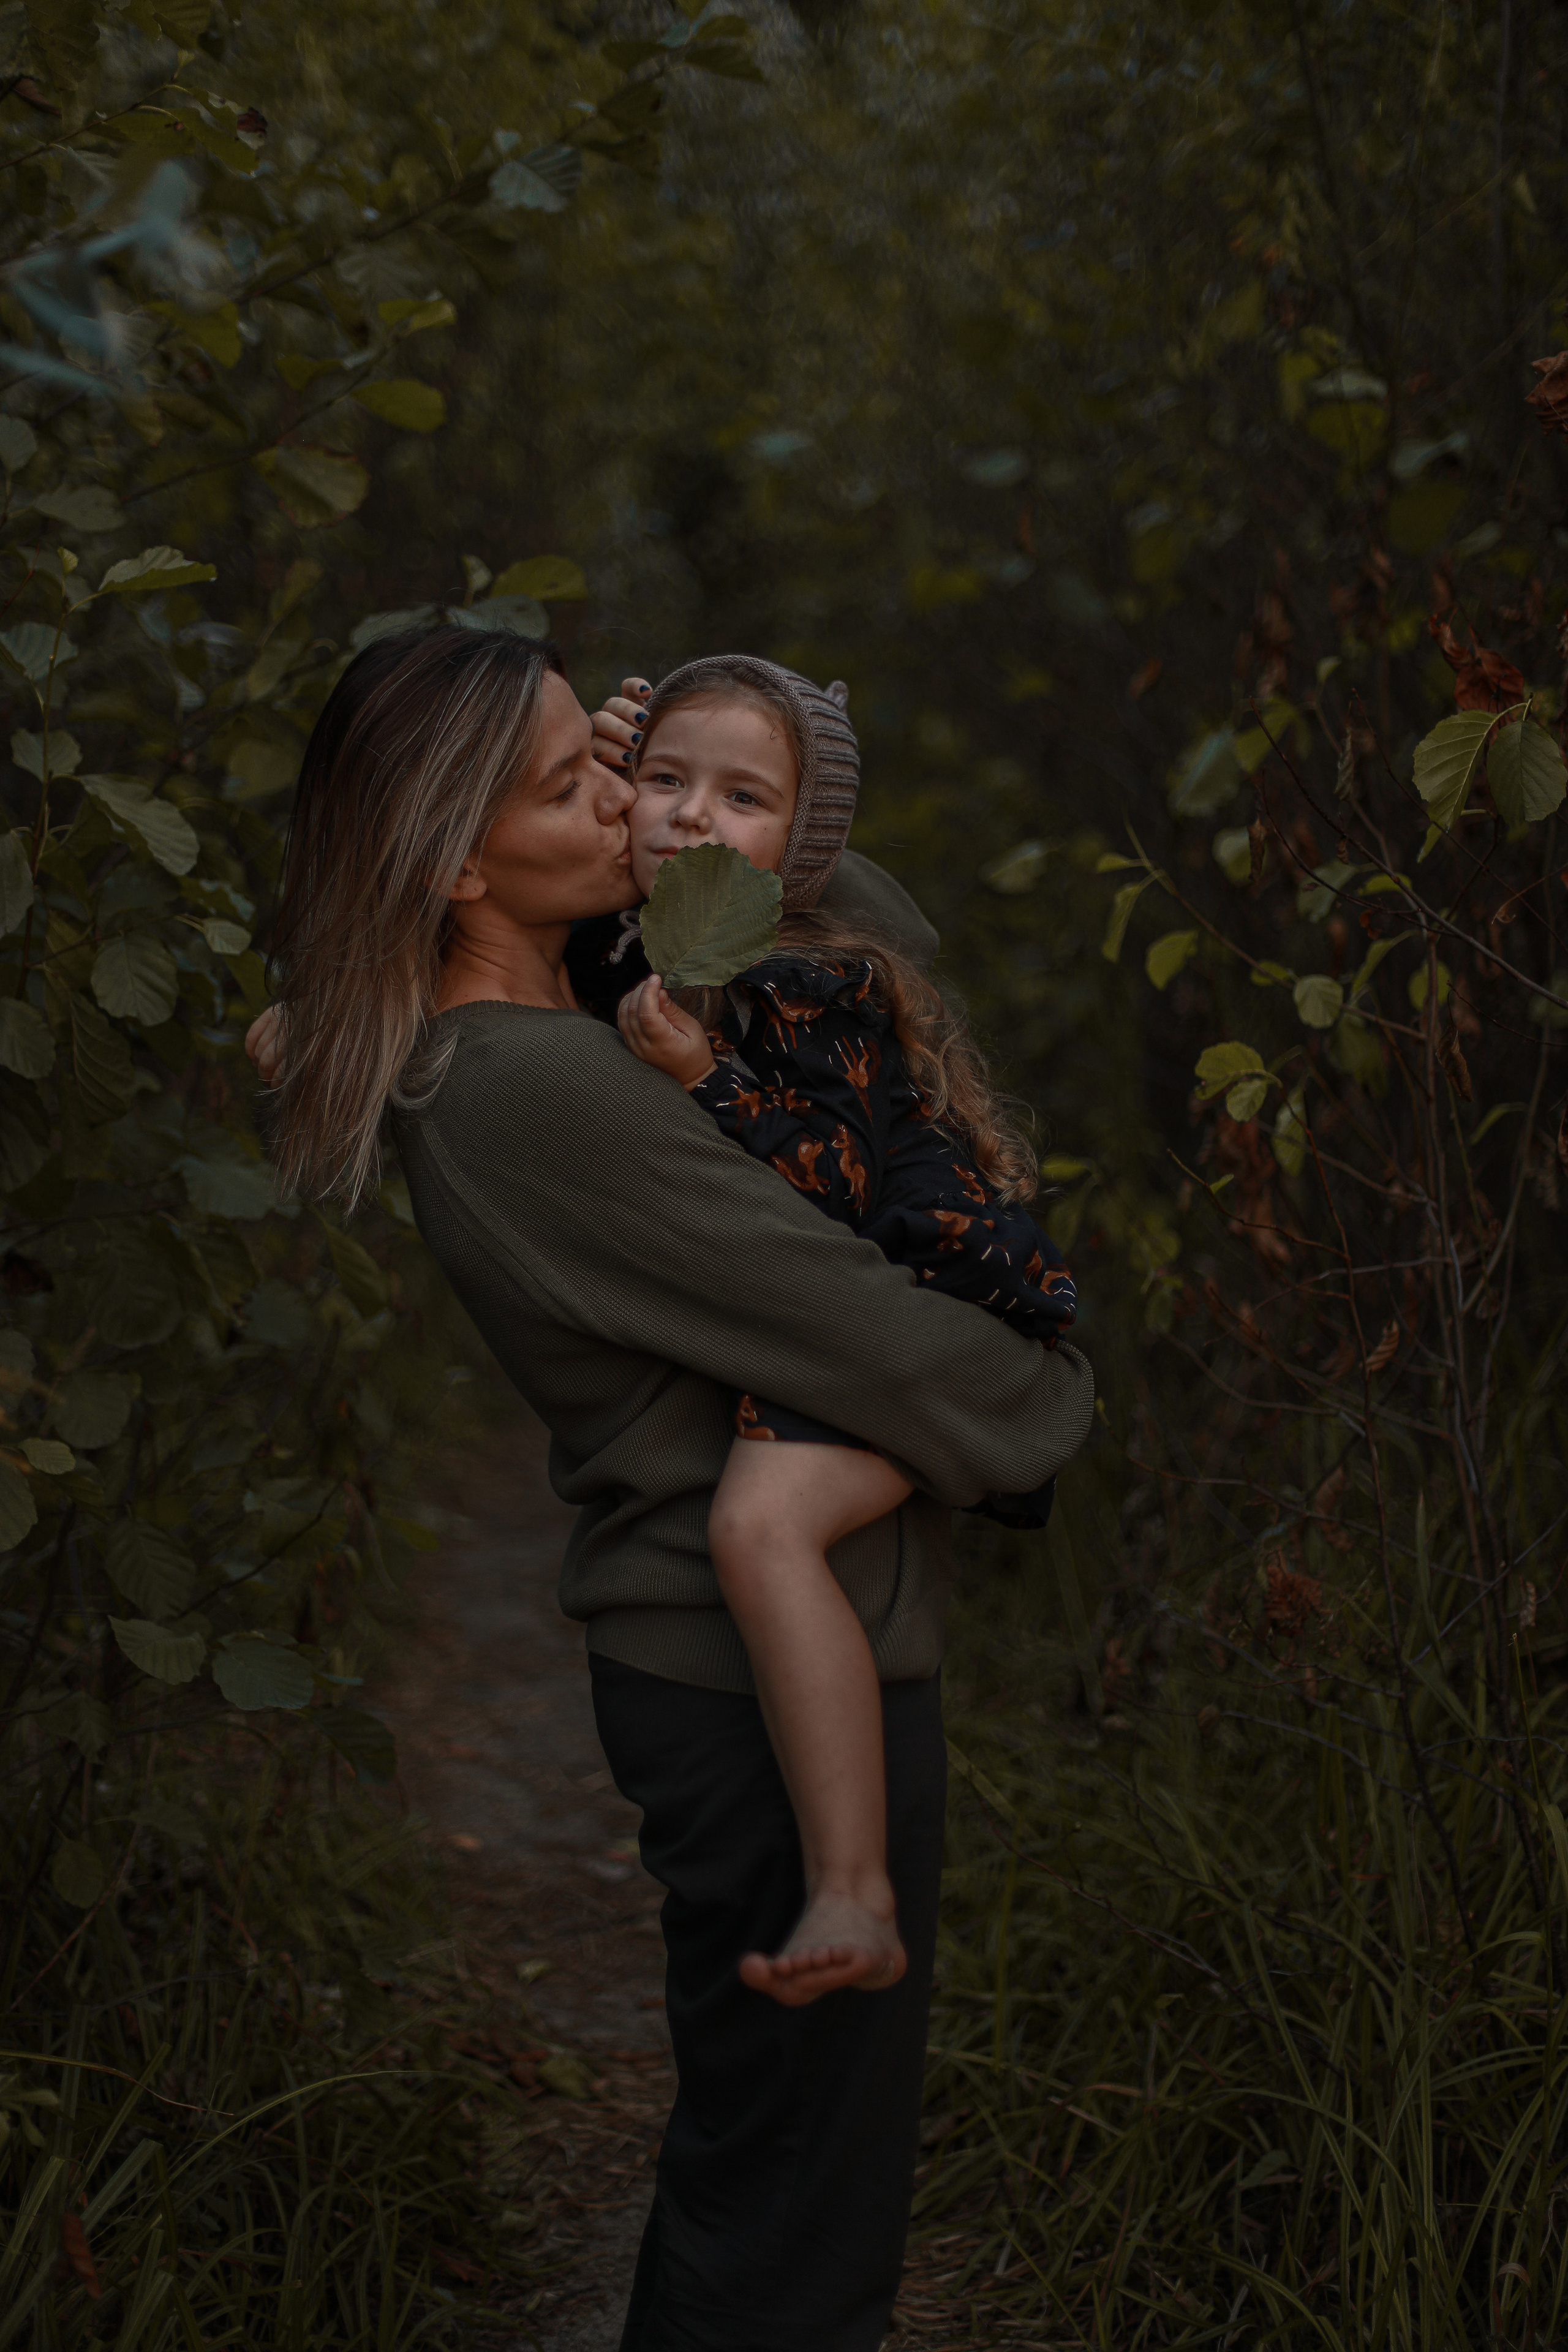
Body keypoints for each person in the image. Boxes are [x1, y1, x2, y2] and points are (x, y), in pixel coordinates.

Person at [252, 622, 1093, 2352]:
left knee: (783, 2183)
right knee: (790, 2218)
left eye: (617, 761)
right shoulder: (541, 1084)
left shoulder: (562, 1011)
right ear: (456, 859)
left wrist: (700, 791)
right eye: (583, 785)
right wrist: (1043, 1395)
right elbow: (860, 1318)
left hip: (754, 1669)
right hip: (756, 1690)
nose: (635, 810)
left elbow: (882, 942)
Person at [575, 657, 1075, 2009]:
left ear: (801, 850)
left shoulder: (799, 985)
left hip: (932, 1298)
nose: (688, 817)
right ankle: (844, 1882)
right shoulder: (653, 943)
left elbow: (836, 1197)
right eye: (662, 782)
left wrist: (705, 1078)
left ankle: (852, 1888)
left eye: (742, 799)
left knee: (759, 1526)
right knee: (757, 1519)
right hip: (872, 1304)